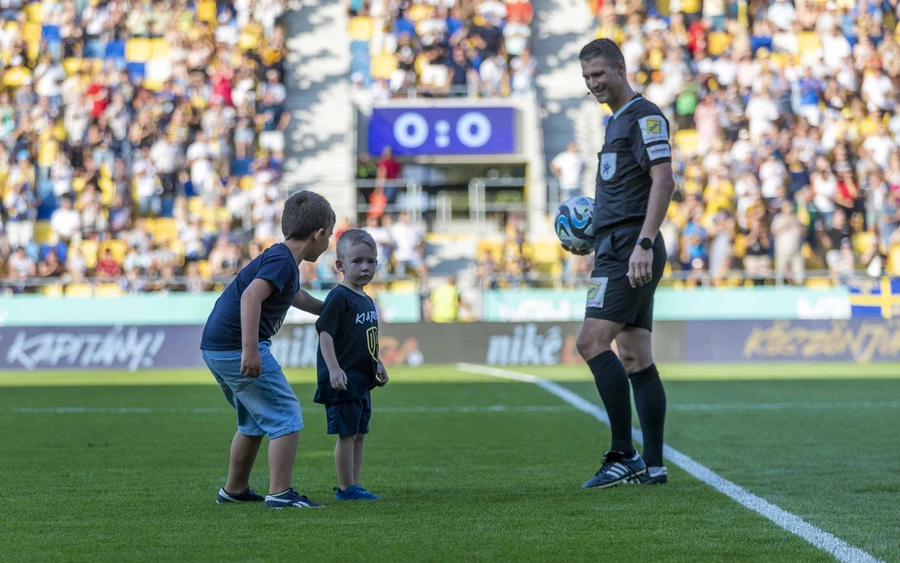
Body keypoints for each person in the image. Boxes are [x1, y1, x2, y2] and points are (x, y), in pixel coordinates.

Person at [564, 39, 675, 488]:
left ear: (621, 68)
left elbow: (664, 181)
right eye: (587, 78)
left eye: (600, 75)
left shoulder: (644, 116)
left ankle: (622, 454)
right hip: (616, 244)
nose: (594, 84)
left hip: (630, 247)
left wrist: (643, 244)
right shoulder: (616, 123)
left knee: (591, 343)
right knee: (633, 354)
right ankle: (653, 464)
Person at [199, 191, 335, 509]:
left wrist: (328, 310)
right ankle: (281, 493)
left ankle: (234, 490)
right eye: (329, 235)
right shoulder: (283, 262)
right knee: (286, 415)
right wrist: (250, 350)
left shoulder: (282, 259)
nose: (328, 241)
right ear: (317, 235)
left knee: (254, 422)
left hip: (217, 347)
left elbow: (295, 297)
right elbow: (251, 297)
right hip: (237, 347)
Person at [314, 229, 389, 501]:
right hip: (343, 380)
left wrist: (378, 363)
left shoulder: (367, 299)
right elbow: (325, 334)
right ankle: (346, 488)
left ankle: (355, 485)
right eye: (357, 261)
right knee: (346, 434)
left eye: (371, 261)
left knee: (359, 434)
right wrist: (334, 368)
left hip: (361, 379)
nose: (365, 267)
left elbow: (366, 338)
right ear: (340, 265)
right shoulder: (339, 297)